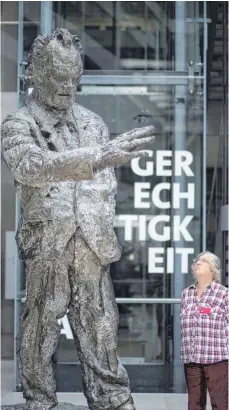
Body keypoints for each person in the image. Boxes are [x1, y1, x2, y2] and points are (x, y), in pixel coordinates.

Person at [1, 28, 155, 410]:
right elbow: (31, 167)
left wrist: (100, 229)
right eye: (59, 77)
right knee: (41, 326)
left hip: (90, 243)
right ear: (34, 73)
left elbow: (105, 188)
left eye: (75, 78)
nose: (69, 87)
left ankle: (112, 397)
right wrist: (97, 157)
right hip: (48, 244)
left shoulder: (92, 124)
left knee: (102, 325)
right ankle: (39, 398)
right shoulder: (17, 125)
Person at [180, 251, 228, 410]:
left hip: (217, 359)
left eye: (203, 261)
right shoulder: (186, 294)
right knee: (194, 405)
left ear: (213, 269)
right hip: (191, 359)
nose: (198, 263)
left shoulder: (224, 294)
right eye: (197, 261)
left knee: (219, 404)